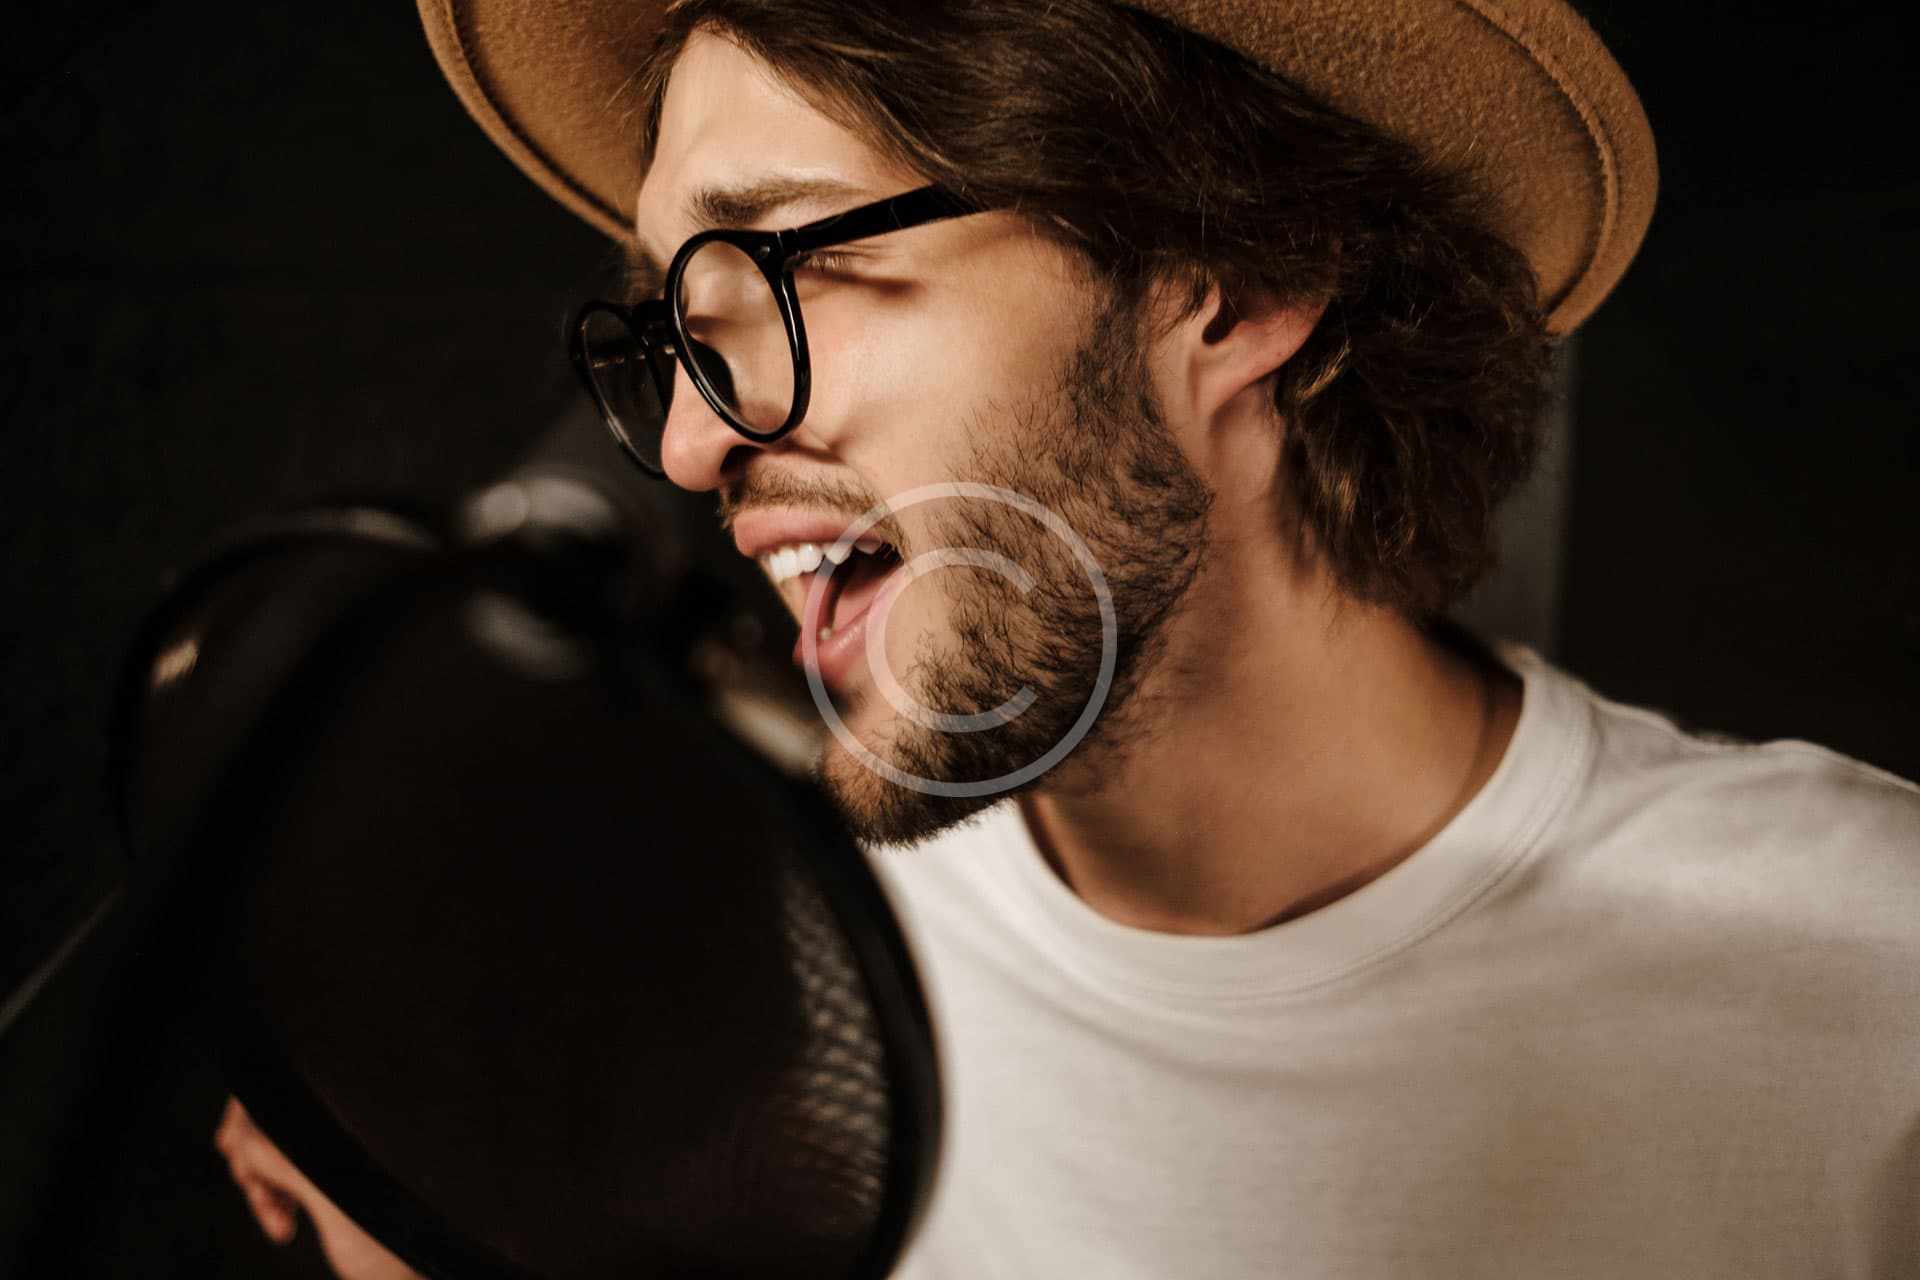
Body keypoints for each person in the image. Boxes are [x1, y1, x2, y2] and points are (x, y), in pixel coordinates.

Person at [224, 0, 1920, 1274]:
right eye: (678, 324)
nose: (684, 443)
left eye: (784, 263)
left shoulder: (1869, 988)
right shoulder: (744, 953)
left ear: (1231, 284)